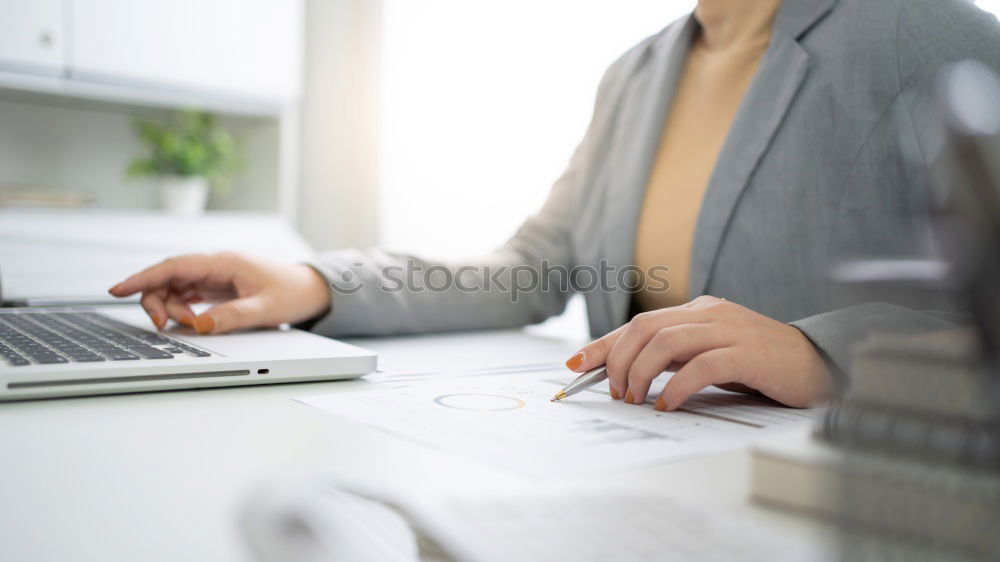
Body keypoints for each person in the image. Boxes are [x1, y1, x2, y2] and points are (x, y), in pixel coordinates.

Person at [109, 0, 1000, 411]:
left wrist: (820, 350)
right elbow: (535, 268)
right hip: (634, 477)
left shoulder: (933, 33)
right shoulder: (635, 73)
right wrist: (310, 280)